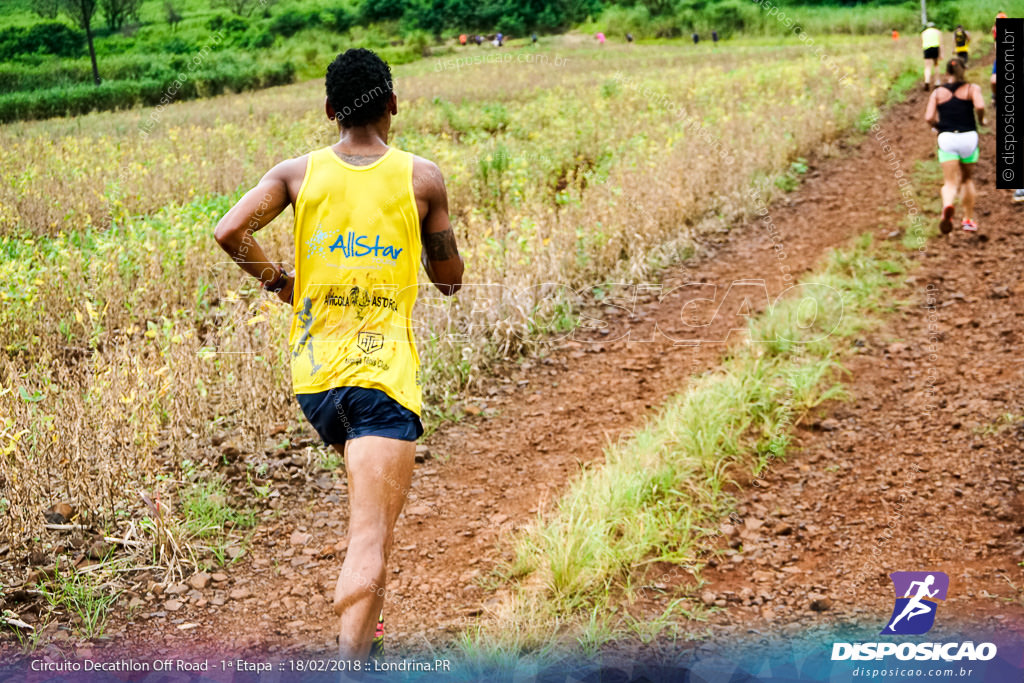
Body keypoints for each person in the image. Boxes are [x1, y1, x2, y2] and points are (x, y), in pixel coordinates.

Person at [213, 48, 464, 661]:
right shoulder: (421, 178)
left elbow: (230, 231)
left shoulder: (296, 175)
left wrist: (279, 281)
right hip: (380, 380)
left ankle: (367, 642)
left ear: (330, 110)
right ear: (393, 105)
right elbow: (450, 280)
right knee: (371, 536)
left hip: (317, 383)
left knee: (372, 518)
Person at [924, 58, 985, 233]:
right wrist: (981, 119)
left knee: (949, 183)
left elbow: (928, 117)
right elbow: (980, 106)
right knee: (967, 179)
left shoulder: (938, 93)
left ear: (947, 73)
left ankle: (948, 205)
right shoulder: (972, 89)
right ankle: (968, 220)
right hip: (968, 137)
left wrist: (937, 127)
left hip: (947, 138)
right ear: (963, 70)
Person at [921, 21, 942, 91]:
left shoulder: (923, 33)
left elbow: (922, 42)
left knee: (927, 67)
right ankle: (937, 82)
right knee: (936, 65)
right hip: (935, 48)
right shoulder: (938, 32)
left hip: (926, 49)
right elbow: (941, 43)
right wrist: (941, 54)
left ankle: (927, 81)